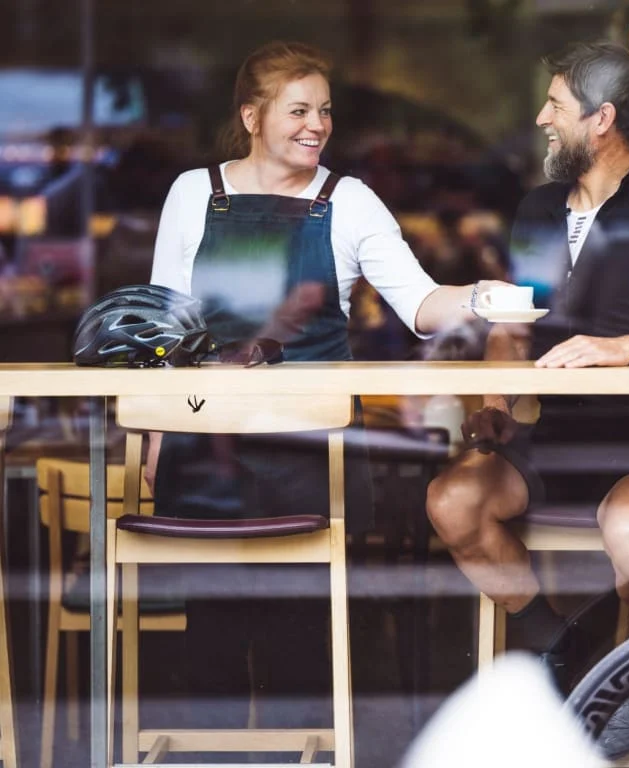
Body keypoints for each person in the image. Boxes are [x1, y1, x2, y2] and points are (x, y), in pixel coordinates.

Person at [144, 40, 510, 740]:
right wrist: (159, 434)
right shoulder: (197, 192)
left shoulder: (348, 201)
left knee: (302, 648)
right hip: (206, 447)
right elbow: (168, 327)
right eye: (299, 110)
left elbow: (422, 304)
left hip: (309, 455)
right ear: (252, 116)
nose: (317, 125)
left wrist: (483, 296)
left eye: (326, 112)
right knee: (209, 644)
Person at [425, 41, 629, 759]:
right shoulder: (537, 208)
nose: (541, 119)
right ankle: (568, 652)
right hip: (548, 439)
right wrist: (492, 403)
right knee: (452, 502)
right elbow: (511, 329)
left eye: (555, 105)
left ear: (602, 119)